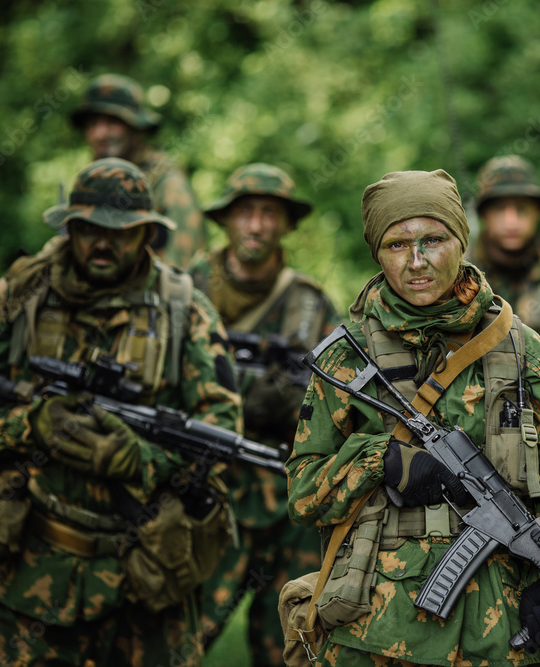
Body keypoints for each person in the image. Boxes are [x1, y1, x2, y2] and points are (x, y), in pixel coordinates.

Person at [287, 168, 540, 666]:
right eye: (396, 244)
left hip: (509, 629)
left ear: (462, 241)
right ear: (378, 253)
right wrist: (380, 461)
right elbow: (303, 496)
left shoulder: (518, 346)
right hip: (380, 629)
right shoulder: (348, 357)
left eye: (434, 239)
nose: (417, 261)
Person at [0, 157, 241, 666]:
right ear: (71, 226)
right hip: (30, 566)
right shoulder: (22, 293)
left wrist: (138, 459)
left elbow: (222, 437)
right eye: (90, 230)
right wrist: (31, 424)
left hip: (145, 578)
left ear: (147, 233)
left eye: (120, 233)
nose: (103, 243)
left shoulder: (183, 308)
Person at [190, 163, 340, 664]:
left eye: (269, 214)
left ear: (286, 224)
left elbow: (339, 401)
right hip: (204, 497)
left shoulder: (310, 305)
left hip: (287, 506)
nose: (257, 225)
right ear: (227, 221)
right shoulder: (185, 292)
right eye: (246, 213)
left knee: (291, 644)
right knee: (177, 635)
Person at [70, 73, 206, 269]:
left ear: (137, 127)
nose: (100, 134)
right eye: (92, 124)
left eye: (112, 122)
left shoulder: (166, 185)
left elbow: (180, 272)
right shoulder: (93, 185)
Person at [466, 155, 540, 336]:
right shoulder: (458, 270)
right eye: (500, 209)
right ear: (483, 214)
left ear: (538, 212)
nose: (512, 222)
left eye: (522, 208)